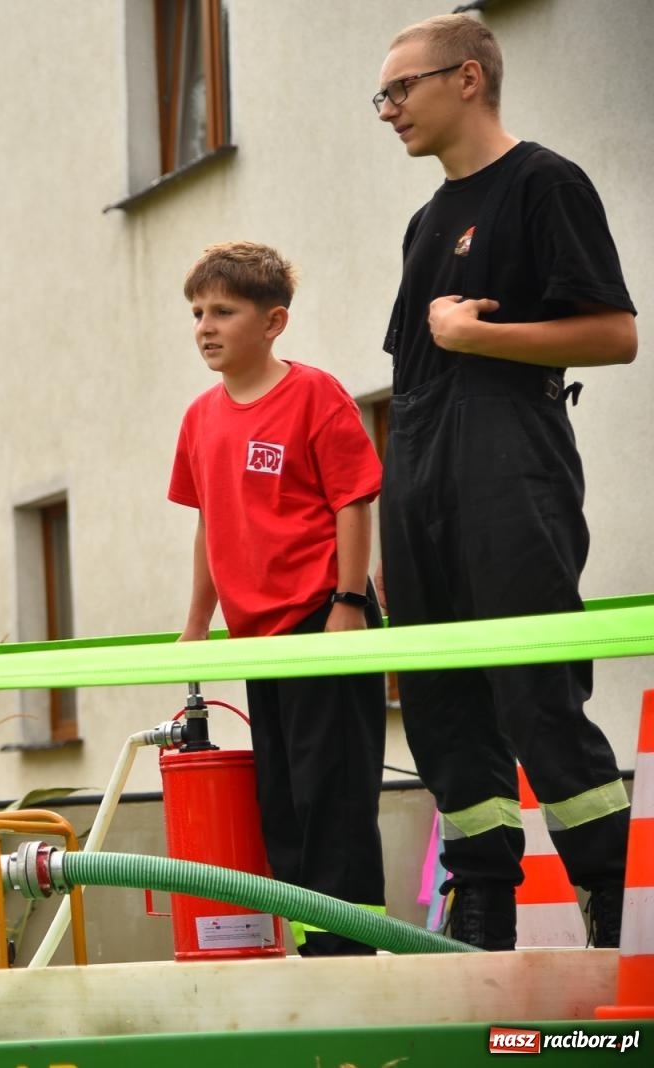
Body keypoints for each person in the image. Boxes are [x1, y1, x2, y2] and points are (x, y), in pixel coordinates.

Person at [374, 15, 638, 951]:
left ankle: (615, 908)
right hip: (419, 477)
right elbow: (412, 378)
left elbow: (616, 334)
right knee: (443, 707)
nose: (389, 110)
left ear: (470, 79)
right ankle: (480, 915)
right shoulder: (425, 222)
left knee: (534, 696)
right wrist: (387, 529)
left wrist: (480, 335)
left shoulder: (544, 183)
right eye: (384, 95)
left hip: (509, 469)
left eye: (402, 89)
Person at [170, 241, 387, 957]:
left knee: (334, 798)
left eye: (223, 311)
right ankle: (310, 946)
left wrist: (349, 601)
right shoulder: (200, 418)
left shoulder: (314, 394)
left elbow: (352, 500)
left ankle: (349, 952)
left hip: (321, 619)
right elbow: (211, 523)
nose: (206, 325)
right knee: (285, 803)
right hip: (258, 639)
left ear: (273, 321)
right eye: (198, 311)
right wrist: (197, 623)